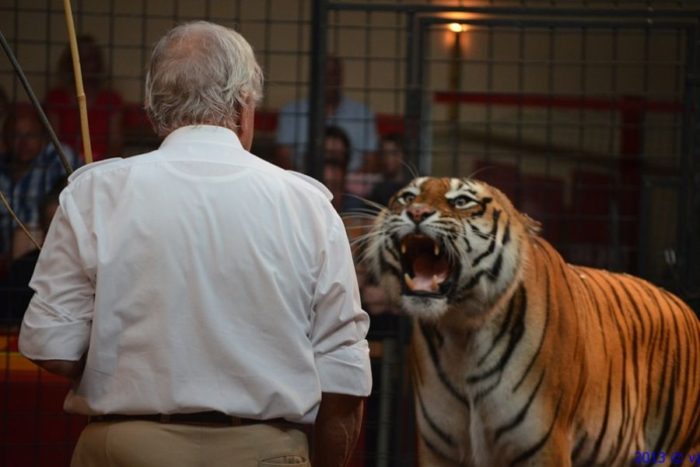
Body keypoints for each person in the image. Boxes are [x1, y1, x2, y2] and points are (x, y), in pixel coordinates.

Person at [19, 21, 371, 467]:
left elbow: (50, 346)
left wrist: (117, 345)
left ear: (153, 113)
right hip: (266, 453)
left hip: (124, 448)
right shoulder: (309, 207)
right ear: (245, 109)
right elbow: (345, 380)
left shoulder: (94, 193)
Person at [0, 107, 79, 264]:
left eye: (30, 135)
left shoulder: (60, 158)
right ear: (4, 139)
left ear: (44, 136)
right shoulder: (2, 167)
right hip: (3, 250)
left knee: (25, 236)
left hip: (48, 246)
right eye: (16, 136)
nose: (23, 143)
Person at [275, 55, 378, 173]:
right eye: (324, 74)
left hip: (351, 185)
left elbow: (371, 160)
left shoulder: (363, 114)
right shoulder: (292, 111)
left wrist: (345, 183)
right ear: (314, 77)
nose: (329, 79)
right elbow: (282, 155)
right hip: (302, 181)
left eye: (334, 74)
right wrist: (302, 182)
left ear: (341, 77)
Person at [44, 34, 124, 161]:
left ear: (99, 63)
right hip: (64, 165)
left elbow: (115, 144)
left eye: (91, 59)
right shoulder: (57, 98)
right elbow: (53, 141)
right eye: (81, 59)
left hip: (101, 165)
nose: (86, 65)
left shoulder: (111, 99)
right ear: (71, 63)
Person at [0, 178, 64, 326]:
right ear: (42, 228)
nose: (59, 238)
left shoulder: (93, 272)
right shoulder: (23, 269)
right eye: (51, 230)